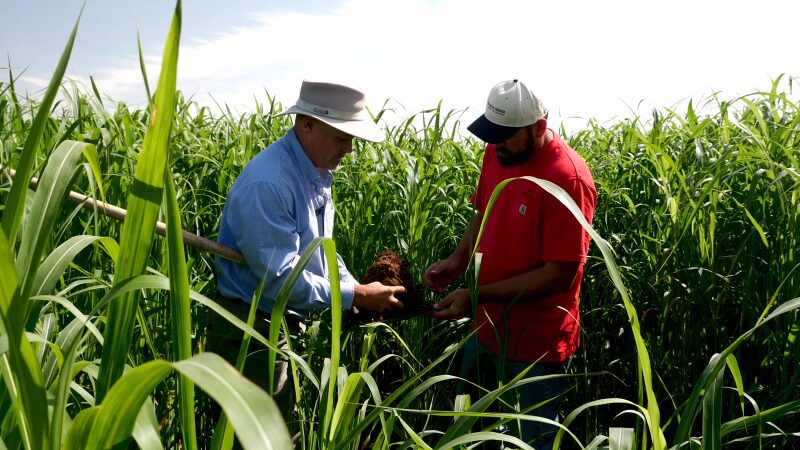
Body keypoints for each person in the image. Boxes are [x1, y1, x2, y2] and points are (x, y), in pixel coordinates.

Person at [210, 80, 405, 422]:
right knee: (260, 439)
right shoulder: (269, 184)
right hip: (250, 330)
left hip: (278, 323)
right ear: (308, 124)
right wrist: (356, 295)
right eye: (342, 137)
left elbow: (318, 250)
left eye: (352, 139)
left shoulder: (313, 170)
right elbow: (281, 282)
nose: (349, 149)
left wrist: (350, 286)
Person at [425, 79, 597, 449]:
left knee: (536, 437)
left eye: (504, 135)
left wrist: (475, 295)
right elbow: (483, 210)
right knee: (472, 426)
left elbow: (558, 274)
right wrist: (457, 261)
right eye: (491, 134)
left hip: (538, 342)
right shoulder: (499, 153)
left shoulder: (567, 179)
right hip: (485, 327)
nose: (495, 143)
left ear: (538, 127)